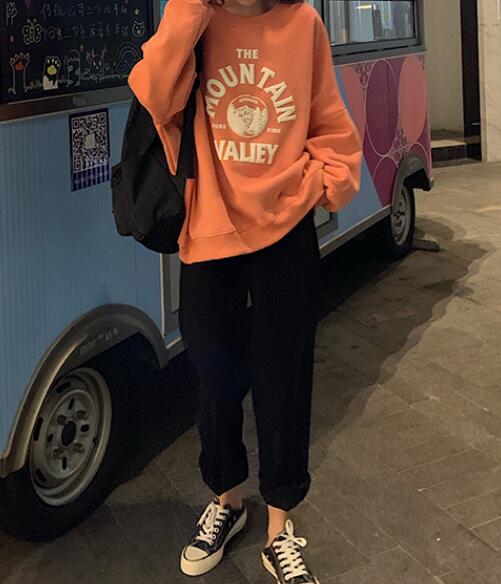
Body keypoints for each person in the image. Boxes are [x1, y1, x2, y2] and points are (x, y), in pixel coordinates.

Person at [128, 0, 362, 580]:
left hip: (286, 229)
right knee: (214, 377)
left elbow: (327, 115)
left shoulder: (303, 23)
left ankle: (281, 526)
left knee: (286, 376)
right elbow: (154, 95)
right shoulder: (195, 18)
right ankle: (227, 500)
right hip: (208, 231)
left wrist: (330, 180)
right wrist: (189, 10)